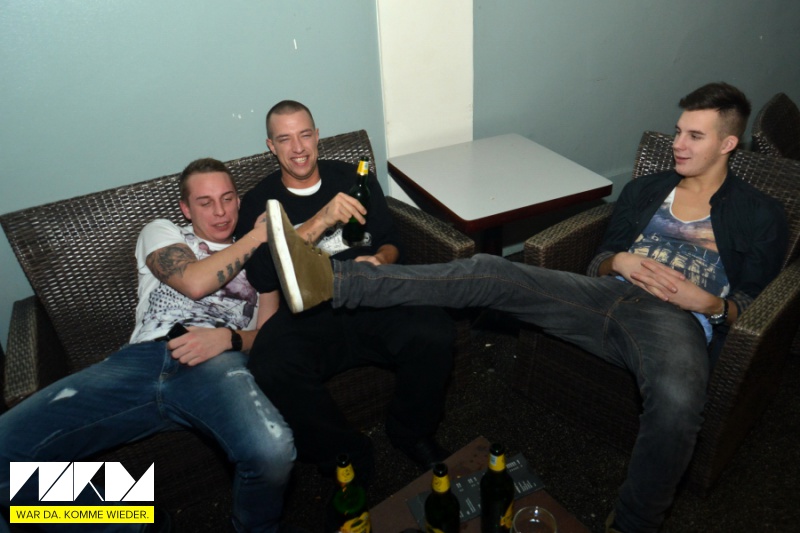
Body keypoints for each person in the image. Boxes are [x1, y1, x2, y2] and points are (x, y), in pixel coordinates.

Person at [262, 83, 789, 532]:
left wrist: (709, 303)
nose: (677, 144)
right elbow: (599, 260)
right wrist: (620, 261)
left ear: (728, 143)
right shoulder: (648, 190)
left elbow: (748, 308)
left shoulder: (761, 214)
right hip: (604, 297)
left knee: (677, 401)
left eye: (694, 136)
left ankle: (633, 523)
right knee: (490, 271)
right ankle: (334, 281)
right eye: (677, 132)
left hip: (676, 322)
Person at [0, 158, 296, 533]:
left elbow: (269, 338)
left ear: (239, 200)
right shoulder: (163, 231)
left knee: (272, 452)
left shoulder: (262, 260)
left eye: (227, 198)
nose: (220, 212)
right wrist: (257, 236)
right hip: (143, 361)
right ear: (186, 209)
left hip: (218, 366)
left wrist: (230, 338)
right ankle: (140, 520)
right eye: (205, 202)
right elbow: (194, 282)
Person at [234, 100, 455, 481]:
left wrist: (381, 261)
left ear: (317, 136)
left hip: (370, 296)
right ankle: (345, 454)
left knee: (435, 330)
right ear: (271, 146)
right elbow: (263, 276)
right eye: (285, 139)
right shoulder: (260, 201)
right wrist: (321, 219)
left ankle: (411, 431)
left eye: (305, 135)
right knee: (270, 366)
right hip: (309, 313)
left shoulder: (354, 178)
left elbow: (391, 241)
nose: (298, 148)